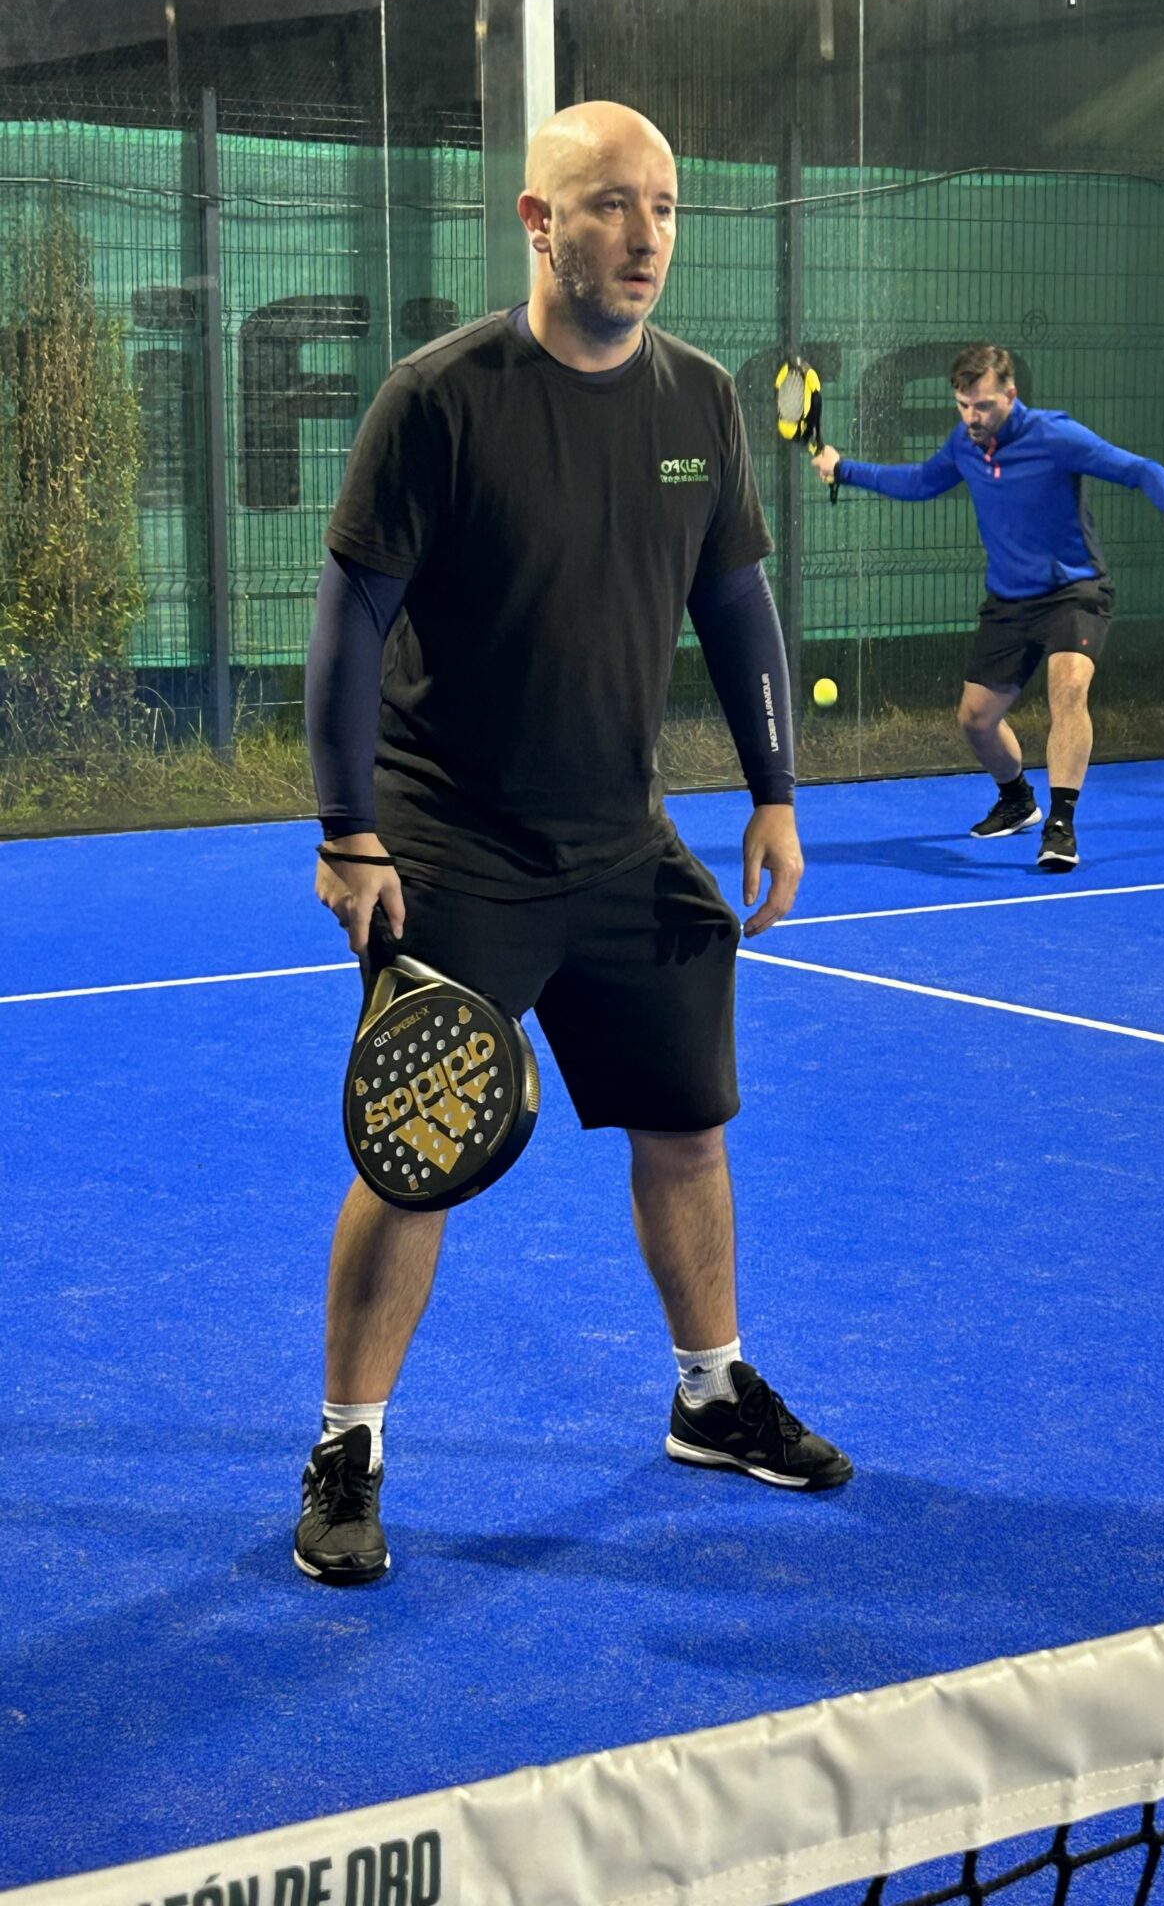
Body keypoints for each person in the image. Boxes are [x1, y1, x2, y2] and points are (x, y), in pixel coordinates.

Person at [296, 100, 852, 1586]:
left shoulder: (702, 401)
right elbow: (350, 619)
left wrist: (776, 792)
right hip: (451, 839)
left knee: (688, 1122)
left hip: (622, 841)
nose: (646, 234)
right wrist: (348, 830)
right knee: (417, 1152)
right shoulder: (437, 400)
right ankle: (348, 1445)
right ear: (538, 224)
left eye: (664, 207)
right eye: (611, 204)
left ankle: (711, 1395)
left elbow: (732, 604)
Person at [812, 344, 1164, 872]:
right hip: (1009, 601)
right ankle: (1017, 799)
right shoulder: (964, 443)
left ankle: (1060, 824)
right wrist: (844, 469)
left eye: (983, 406)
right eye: (963, 406)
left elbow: (1137, 468)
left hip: (1073, 590)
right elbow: (920, 483)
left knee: (1068, 690)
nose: (972, 417)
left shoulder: (1055, 436)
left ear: (1011, 394)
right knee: (976, 721)